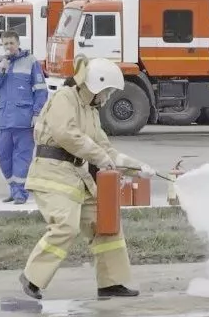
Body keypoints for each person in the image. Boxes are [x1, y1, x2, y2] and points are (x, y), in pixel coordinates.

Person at [19, 56, 154, 301]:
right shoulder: (65, 98)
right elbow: (65, 133)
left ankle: (111, 283)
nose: (109, 96)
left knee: (106, 224)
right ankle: (32, 278)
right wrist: (100, 156)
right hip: (52, 174)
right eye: (108, 90)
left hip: (78, 176)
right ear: (95, 85)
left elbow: (106, 149)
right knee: (65, 226)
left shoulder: (90, 111)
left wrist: (137, 168)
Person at [0, 30, 48, 205]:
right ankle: (14, 189)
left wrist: (37, 113)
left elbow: (41, 90)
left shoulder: (31, 61)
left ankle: (20, 193)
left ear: (18, 43)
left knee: (22, 157)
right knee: (3, 157)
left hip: (24, 119)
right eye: (5, 44)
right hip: (4, 119)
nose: (9, 47)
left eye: (12, 43)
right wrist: (0, 71)